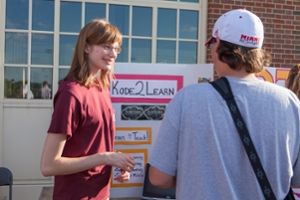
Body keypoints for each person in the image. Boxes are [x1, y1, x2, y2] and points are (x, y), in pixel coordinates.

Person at [148, 9, 300, 199]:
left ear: (217, 44)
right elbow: (295, 179)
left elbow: (159, 178)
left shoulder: (187, 99)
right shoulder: (289, 102)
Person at [40, 19, 135, 200]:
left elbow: (93, 144)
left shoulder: (101, 86)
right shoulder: (71, 93)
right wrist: (106, 158)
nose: (113, 54)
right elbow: (49, 165)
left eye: (117, 48)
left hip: (101, 194)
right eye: (107, 46)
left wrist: (117, 159)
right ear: (86, 48)